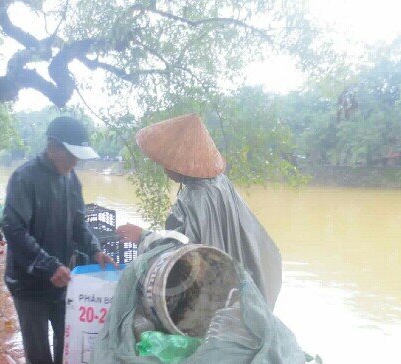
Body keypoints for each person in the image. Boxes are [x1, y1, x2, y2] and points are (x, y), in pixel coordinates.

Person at [3, 116, 116, 364]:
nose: (75, 163)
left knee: (66, 336)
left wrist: (94, 250)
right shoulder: (24, 177)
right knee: (37, 341)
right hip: (28, 278)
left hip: (63, 276)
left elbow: (79, 224)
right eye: (72, 156)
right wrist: (47, 264)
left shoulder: (71, 179)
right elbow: (13, 229)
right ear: (53, 148)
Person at [117, 113, 282, 309]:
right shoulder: (220, 183)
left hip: (213, 288)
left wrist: (144, 236)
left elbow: (185, 253)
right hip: (236, 280)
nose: (164, 169)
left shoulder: (195, 196)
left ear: (179, 163)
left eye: (166, 163)